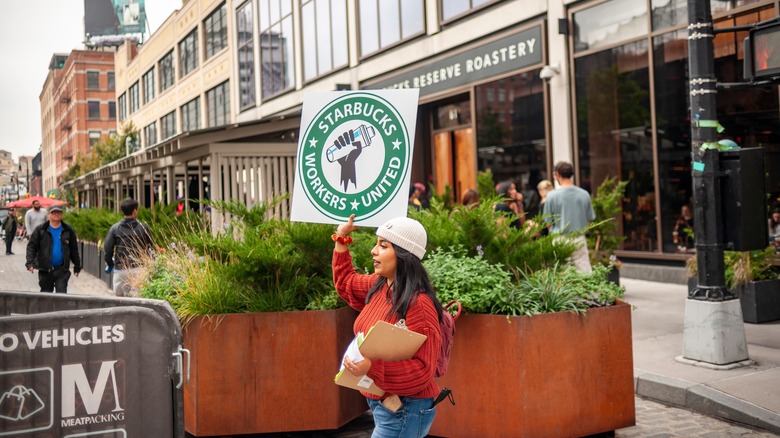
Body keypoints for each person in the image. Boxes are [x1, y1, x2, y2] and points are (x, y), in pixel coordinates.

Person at [332, 215, 443, 438]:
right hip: (386, 407)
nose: (374, 251)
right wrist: (341, 237)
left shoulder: (419, 305)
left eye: (383, 246)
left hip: (404, 409)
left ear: (404, 255)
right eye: (377, 244)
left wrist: (371, 367)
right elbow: (347, 284)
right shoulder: (380, 285)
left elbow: (422, 370)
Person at [543, 161, 596, 272]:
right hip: (579, 237)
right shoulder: (584, 194)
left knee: (562, 272)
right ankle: (587, 290)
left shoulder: (551, 196)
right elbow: (590, 218)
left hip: (559, 238)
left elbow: (547, 222)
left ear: (557, 174)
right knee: (584, 270)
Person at [104, 198, 154, 297]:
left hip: (121, 270)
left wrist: (109, 263)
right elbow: (150, 248)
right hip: (139, 269)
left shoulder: (115, 228)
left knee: (119, 300)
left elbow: (107, 248)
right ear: (135, 211)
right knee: (138, 299)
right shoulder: (143, 227)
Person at [25, 205, 81, 293]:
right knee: (46, 297)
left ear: (62, 214)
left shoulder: (67, 229)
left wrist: (77, 266)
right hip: (45, 270)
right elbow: (32, 246)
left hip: (62, 269)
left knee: (61, 295)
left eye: (59, 212)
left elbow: (73, 248)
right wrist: (30, 263)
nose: (56, 214)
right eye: (54, 213)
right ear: (49, 214)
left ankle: (60, 307)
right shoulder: (41, 230)